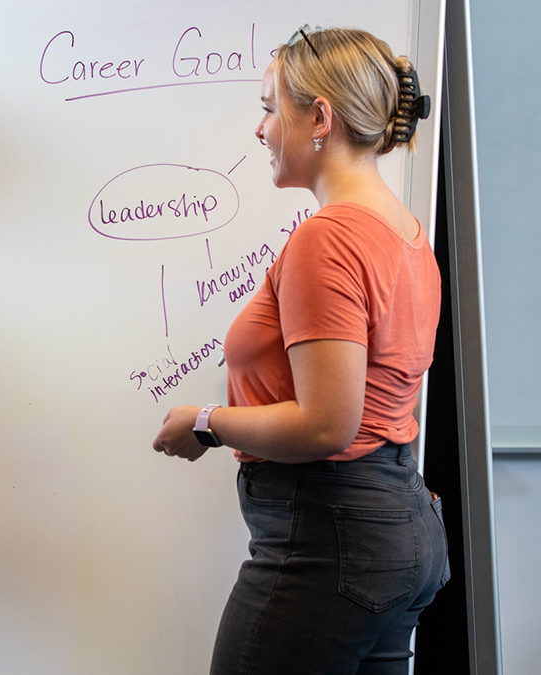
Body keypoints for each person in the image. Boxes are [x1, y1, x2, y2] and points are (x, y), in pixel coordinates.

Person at [151, 26, 449, 674]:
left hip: (329, 539)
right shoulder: (408, 235)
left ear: (320, 117)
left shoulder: (328, 239)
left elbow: (326, 422)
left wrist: (205, 422)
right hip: (397, 527)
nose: (259, 130)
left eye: (268, 107)